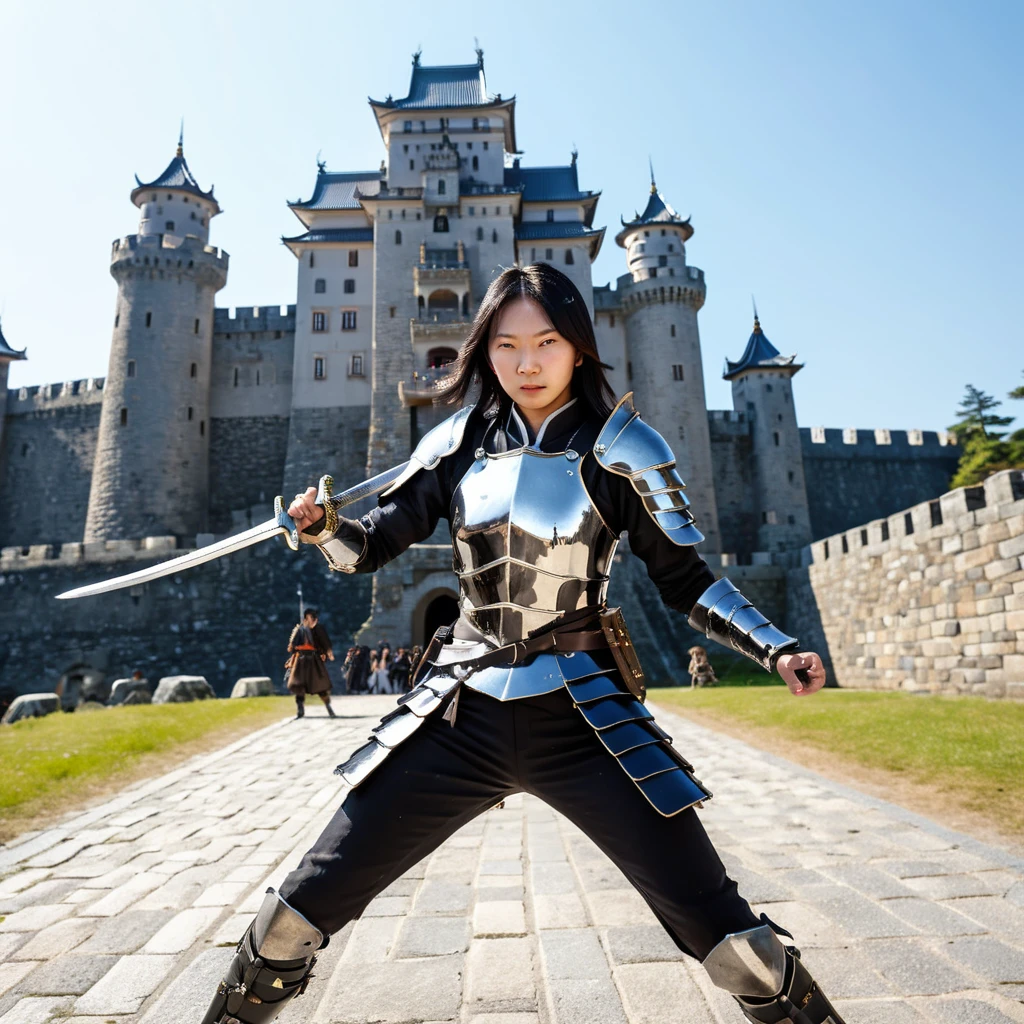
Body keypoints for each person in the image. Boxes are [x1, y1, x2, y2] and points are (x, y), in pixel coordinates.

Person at [201, 264, 844, 1024]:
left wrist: (775, 647)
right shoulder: (455, 440)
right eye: (506, 346)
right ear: (484, 352)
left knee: (739, 946)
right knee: (289, 918)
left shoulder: (622, 449)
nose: (527, 363)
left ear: (578, 345)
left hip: (587, 720)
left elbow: (686, 578)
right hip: (457, 715)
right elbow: (373, 547)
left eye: (546, 341)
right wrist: (323, 530)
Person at [286, 608, 336, 719]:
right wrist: (294, 646)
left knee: (320, 684)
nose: (309, 621)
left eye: (311, 618)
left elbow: (325, 643)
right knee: (298, 685)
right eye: (307, 618)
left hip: (314, 661)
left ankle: (328, 707)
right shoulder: (299, 630)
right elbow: (292, 646)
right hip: (300, 662)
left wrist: (328, 652)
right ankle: (300, 709)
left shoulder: (318, 630)